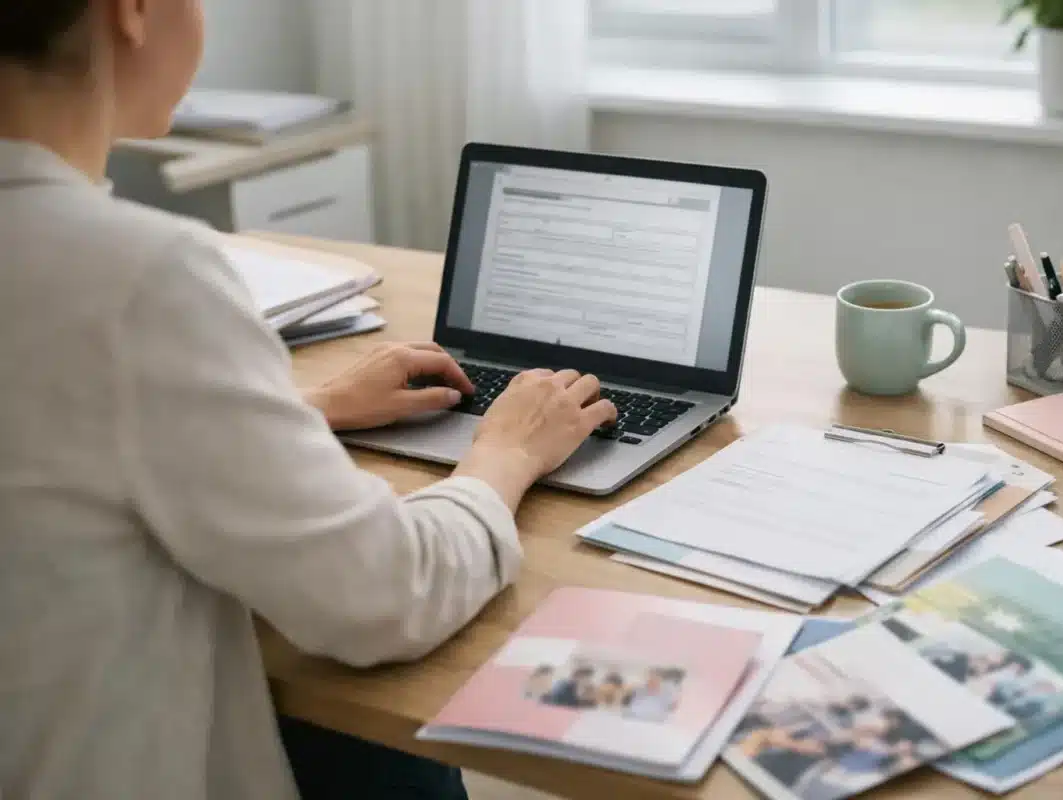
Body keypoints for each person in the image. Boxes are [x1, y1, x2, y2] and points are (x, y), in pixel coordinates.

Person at [0, 2, 619, 799]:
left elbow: (50, 443)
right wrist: (509, 450)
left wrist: (303, 410)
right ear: (133, 12)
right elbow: (388, 596)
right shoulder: (138, 278)